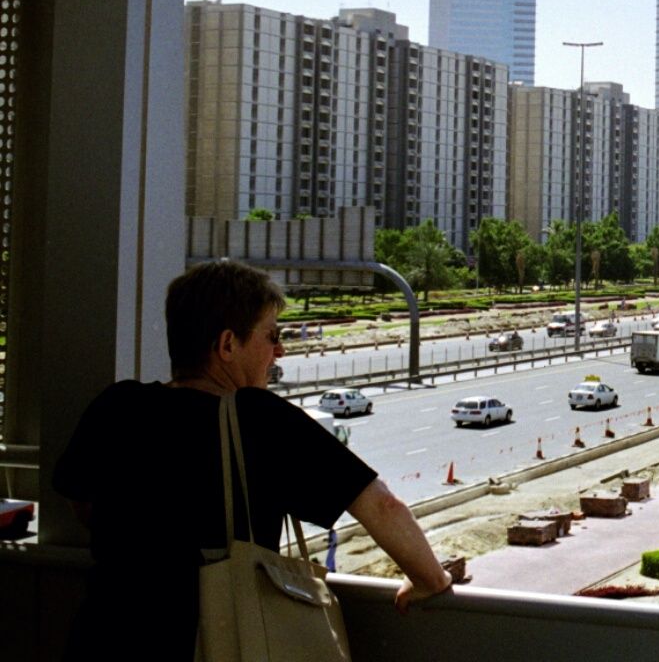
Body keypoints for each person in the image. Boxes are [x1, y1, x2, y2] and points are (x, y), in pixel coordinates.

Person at [54, 260, 464, 659]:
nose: (280, 350)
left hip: (101, 637)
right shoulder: (259, 417)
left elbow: (82, 504)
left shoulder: (118, 405)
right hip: (214, 640)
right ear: (227, 345)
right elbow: (383, 506)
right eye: (271, 335)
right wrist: (430, 580)